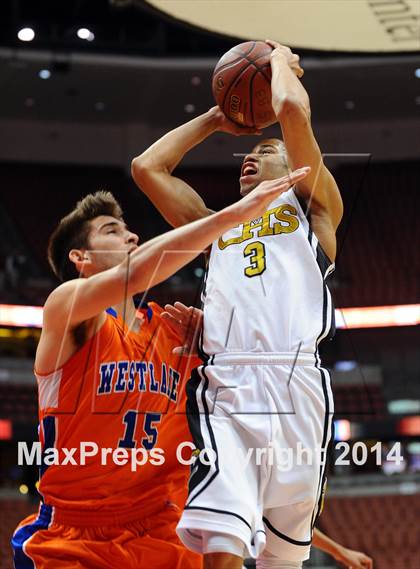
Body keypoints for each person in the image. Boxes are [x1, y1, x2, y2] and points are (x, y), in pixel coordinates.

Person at [12, 170, 308, 568]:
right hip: (76, 533)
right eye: (112, 231)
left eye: (129, 230)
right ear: (80, 258)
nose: (131, 237)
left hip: (162, 525)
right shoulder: (66, 311)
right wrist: (230, 218)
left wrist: (218, 340)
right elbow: (130, 273)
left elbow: (265, 349)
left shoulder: (175, 331)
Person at [132, 39, 343, 569]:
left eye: (266, 150)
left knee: (281, 560)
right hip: (226, 383)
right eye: (248, 150)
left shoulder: (315, 210)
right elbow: (146, 167)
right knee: (222, 541)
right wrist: (214, 119)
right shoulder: (214, 223)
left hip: (298, 386)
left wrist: (278, 60)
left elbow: (292, 109)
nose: (250, 153)